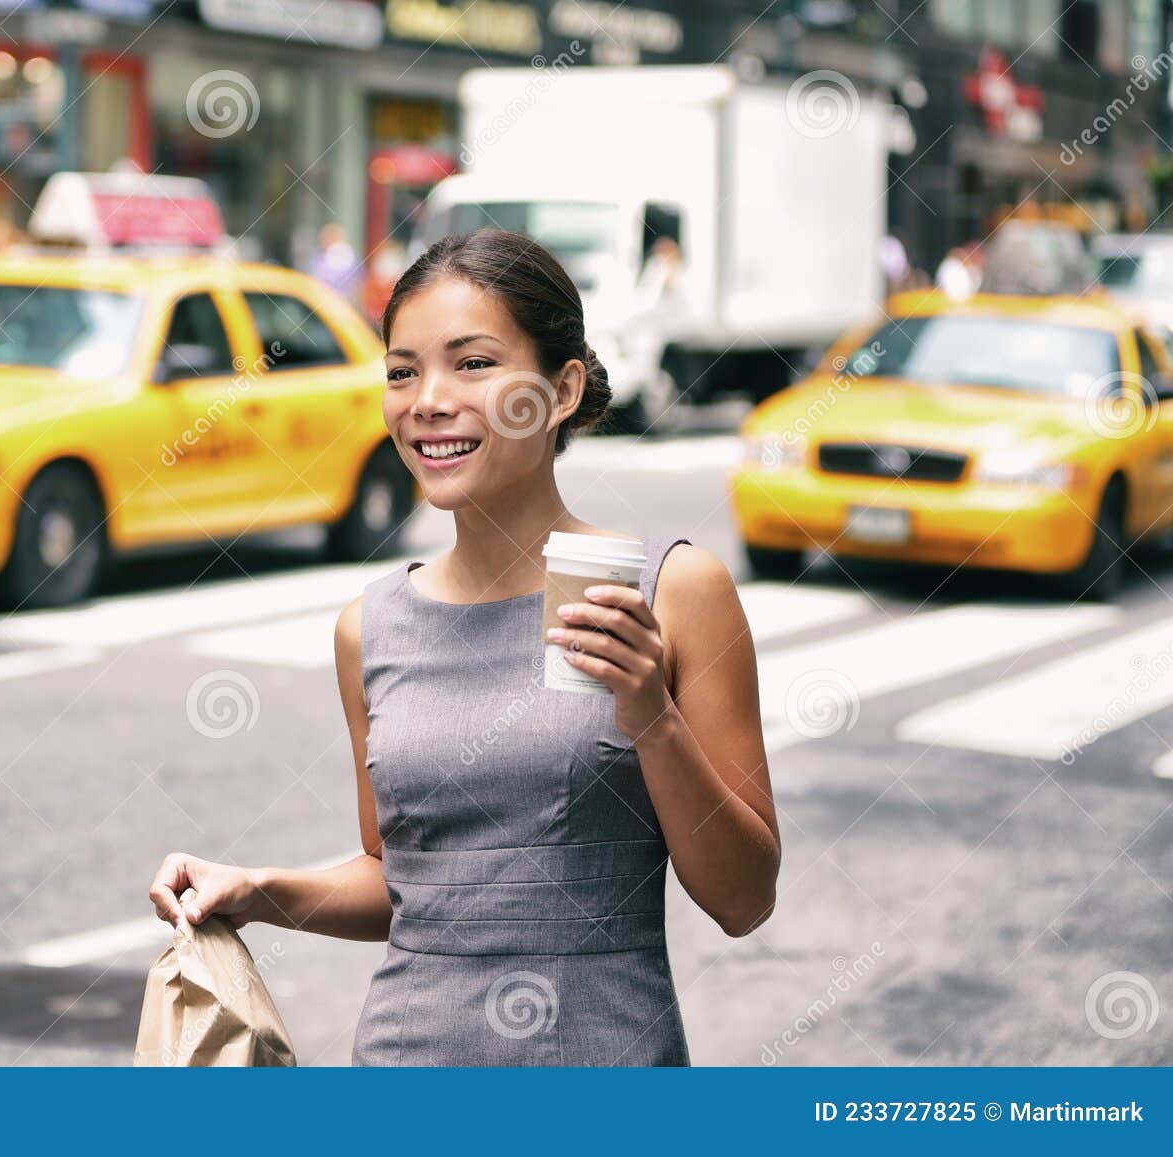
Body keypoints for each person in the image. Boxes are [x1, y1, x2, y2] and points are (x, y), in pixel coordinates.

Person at [150, 228, 780, 1066]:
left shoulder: (676, 593)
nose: (427, 400)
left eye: (473, 364)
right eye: (402, 370)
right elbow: (403, 881)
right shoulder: (368, 627)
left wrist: (652, 717)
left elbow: (744, 899)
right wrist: (258, 889)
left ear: (560, 390)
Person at [308, 222, 360, 302]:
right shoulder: (317, 256)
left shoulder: (350, 258)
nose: (328, 241)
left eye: (332, 238)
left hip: (342, 303)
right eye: (326, 238)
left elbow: (356, 284)